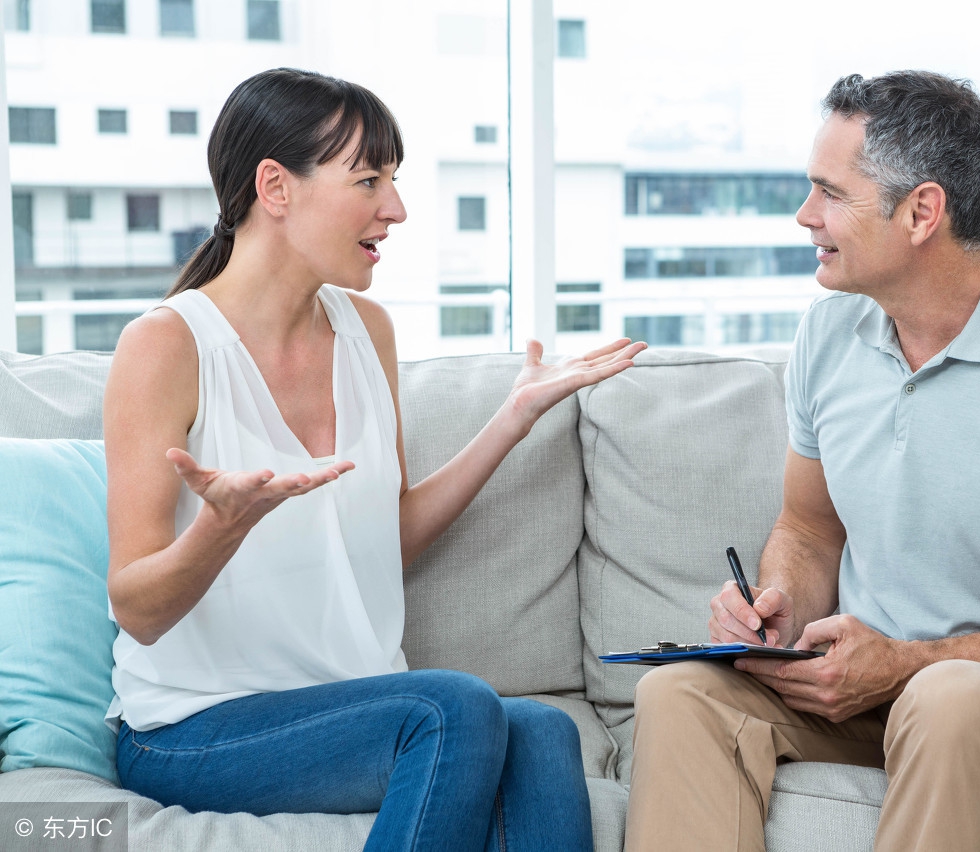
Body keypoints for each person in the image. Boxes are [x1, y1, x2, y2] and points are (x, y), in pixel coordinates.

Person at [624, 71, 980, 852]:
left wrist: (912, 663)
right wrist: (777, 604)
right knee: (682, 692)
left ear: (922, 211)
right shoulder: (828, 334)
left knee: (948, 698)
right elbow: (811, 530)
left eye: (830, 193)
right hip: (862, 692)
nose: (805, 216)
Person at [103, 67, 645, 852]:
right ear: (275, 187)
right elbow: (137, 608)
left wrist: (512, 420)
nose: (396, 208)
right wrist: (221, 527)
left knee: (540, 730)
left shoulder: (366, 331)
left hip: (350, 706)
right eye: (368, 180)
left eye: (393, 179)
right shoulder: (167, 345)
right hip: (192, 727)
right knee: (452, 708)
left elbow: (381, 542)